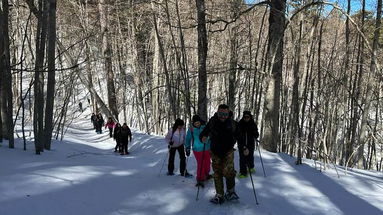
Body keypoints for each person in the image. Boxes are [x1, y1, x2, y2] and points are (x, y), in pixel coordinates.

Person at [200, 104, 239, 204]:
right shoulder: (212, 122)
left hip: (228, 151)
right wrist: (203, 137)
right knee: (217, 173)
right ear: (217, 113)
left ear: (228, 114)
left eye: (225, 114)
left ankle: (230, 192)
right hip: (215, 152)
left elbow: (240, 136)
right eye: (221, 113)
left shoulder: (232, 123)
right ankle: (219, 195)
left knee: (228, 171)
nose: (223, 116)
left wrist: (244, 147)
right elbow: (204, 132)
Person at [185, 115, 211, 187]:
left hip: (207, 147)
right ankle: (200, 178)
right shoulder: (191, 129)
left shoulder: (205, 127)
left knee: (207, 163)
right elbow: (188, 139)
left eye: (198, 122)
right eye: (195, 123)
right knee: (201, 163)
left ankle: (206, 174)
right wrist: (187, 147)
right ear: (193, 123)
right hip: (197, 149)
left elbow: (210, 135)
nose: (197, 124)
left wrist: (208, 139)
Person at [237, 111, 259, 178]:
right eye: (245, 117)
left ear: (250, 117)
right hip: (242, 143)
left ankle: (251, 167)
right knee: (242, 158)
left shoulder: (253, 124)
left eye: (248, 117)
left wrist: (255, 134)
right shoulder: (240, 124)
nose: (246, 118)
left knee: (250, 156)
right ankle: (243, 173)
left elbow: (256, 134)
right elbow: (237, 135)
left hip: (250, 143)